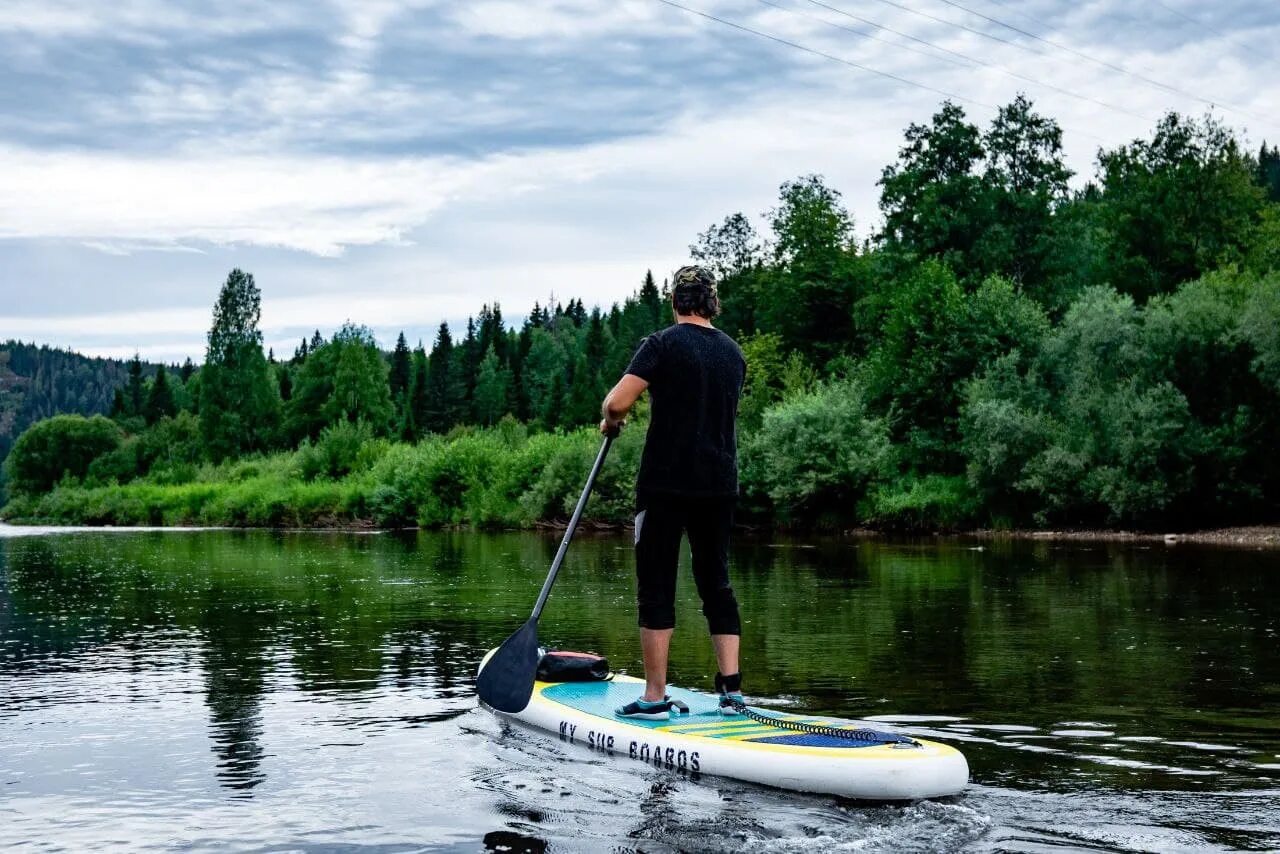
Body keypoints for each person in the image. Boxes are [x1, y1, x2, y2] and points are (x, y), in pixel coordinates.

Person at [599, 264, 747, 721]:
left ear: (675, 302)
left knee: (657, 585)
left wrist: (611, 422)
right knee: (715, 583)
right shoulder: (734, 353)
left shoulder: (660, 344)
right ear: (711, 302)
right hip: (719, 484)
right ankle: (731, 693)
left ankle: (655, 696)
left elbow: (617, 402)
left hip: (665, 484)